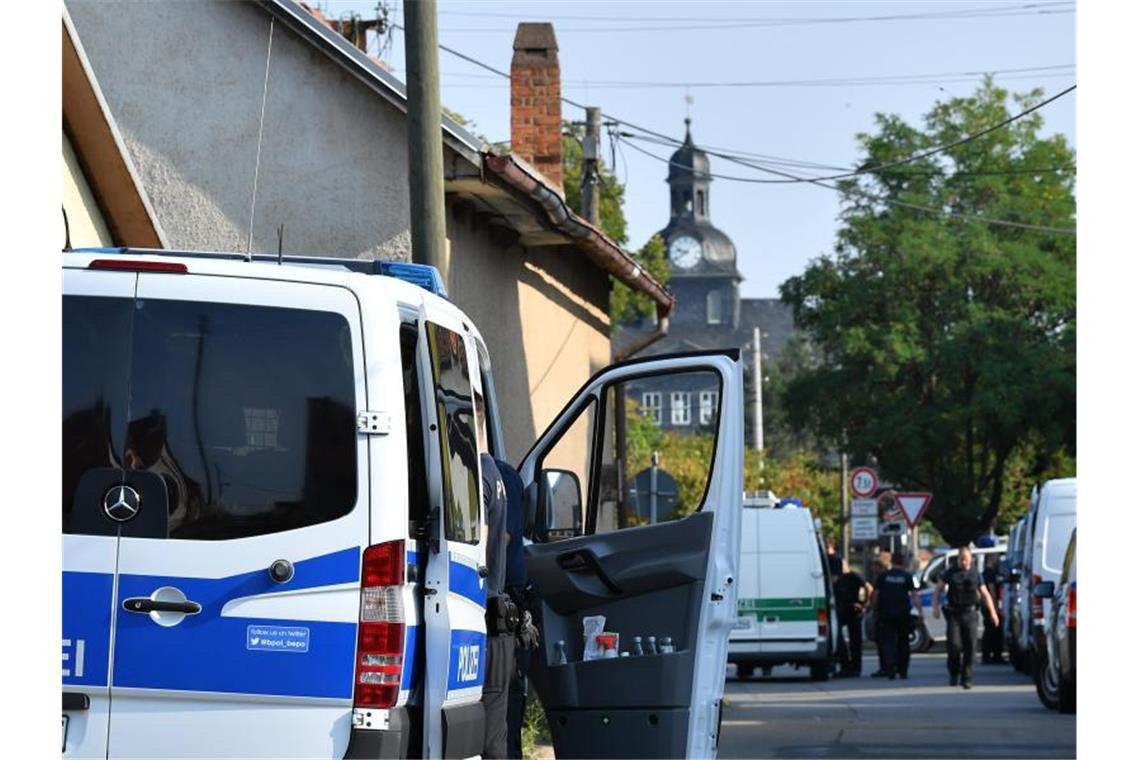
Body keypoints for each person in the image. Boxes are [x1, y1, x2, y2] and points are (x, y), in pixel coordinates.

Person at [476, 394, 515, 759]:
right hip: (499, 618)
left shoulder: (480, 479)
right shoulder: (499, 475)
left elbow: (480, 547)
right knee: (494, 737)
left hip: (485, 617)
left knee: (486, 742)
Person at [495, 454, 534, 760]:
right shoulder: (500, 473)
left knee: (503, 722)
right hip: (498, 608)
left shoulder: (500, 475)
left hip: (501, 610)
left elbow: (501, 539)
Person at [933, 546, 1000, 689]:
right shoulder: (950, 572)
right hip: (954, 614)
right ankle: (954, 672)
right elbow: (938, 589)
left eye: (967, 560)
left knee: (971, 647)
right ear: (958, 559)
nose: (964, 563)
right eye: (962, 559)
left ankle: (967, 678)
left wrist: (993, 613)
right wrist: (935, 607)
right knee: (954, 646)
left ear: (971, 559)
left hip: (970, 614)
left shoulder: (976, 574)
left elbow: (985, 593)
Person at [870, 552, 921, 680]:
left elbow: (875, 594)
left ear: (892, 561)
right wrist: (920, 612)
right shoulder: (908, 576)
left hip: (886, 613)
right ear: (903, 563)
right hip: (903, 613)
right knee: (903, 642)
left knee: (888, 642)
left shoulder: (883, 576)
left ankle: (890, 668)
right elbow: (915, 595)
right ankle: (903, 670)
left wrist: (874, 609)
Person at [833, 558, 873, 677]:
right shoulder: (837, 577)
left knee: (855, 640)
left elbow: (869, 588)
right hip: (841, 609)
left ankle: (856, 668)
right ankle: (845, 666)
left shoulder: (853, 576)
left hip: (853, 609)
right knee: (838, 638)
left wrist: (863, 604)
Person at [981, 554, 1006, 664]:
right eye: (996, 557)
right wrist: (995, 609)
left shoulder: (985, 573)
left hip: (986, 606)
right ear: (991, 559)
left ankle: (989, 655)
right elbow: (992, 591)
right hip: (991, 606)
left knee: (990, 631)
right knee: (993, 632)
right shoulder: (990, 573)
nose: (998, 560)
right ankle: (994, 655)